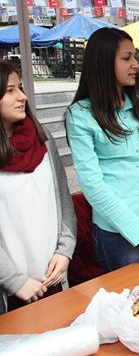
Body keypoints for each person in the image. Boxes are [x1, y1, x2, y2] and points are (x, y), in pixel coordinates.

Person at [66, 28, 139, 273]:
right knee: (131, 300)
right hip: (117, 232)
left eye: (135, 57)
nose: (135, 64)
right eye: (126, 58)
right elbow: (92, 185)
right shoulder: (80, 116)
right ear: (104, 62)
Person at [0, 61, 75, 314]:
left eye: (20, 88)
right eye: (9, 91)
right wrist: (15, 281)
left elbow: (63, 201)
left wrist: (64, 252)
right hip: (12, 293)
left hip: (53, 277)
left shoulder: (42, 138)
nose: (22, 97)